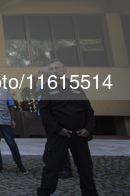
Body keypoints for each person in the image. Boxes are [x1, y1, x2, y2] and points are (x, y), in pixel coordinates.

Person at [37, 60, 98, 196]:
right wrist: (58, 129)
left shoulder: (75, 87)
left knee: (85, 167)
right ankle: (44, 193)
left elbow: (88, 110)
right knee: (52, 167)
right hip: (59, 135)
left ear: (65, 70)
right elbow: (45, 112)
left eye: (57, 68)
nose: (54, 71)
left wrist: (89, 128)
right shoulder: (46, 89)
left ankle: (90, 193)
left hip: (79, 135)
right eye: (51, 69)